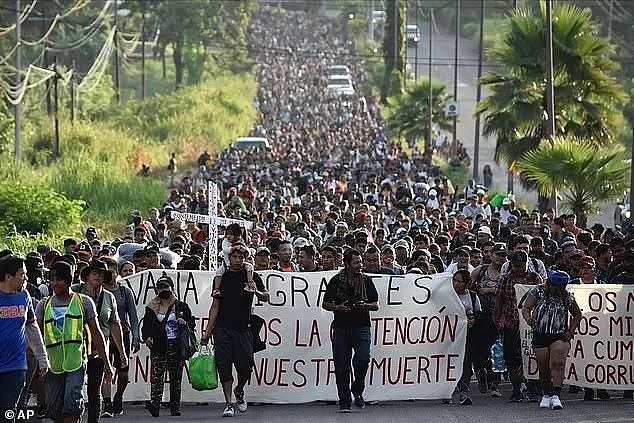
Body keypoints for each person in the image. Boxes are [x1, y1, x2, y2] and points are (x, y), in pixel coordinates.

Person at [37, 260, 114, 423]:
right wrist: (39, 362)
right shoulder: (43, 305)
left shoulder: (83, 302)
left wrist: (106, 363)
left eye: (59, 279)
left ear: (68, 280)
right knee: (55, 410)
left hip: (76, 363)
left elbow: (96, 333)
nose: (54, 283)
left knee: (73, 406)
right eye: (52, 279)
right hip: (53, 366)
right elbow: (35, 336)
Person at [201, 244, 269, 417]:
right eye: (235, 257)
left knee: (245, 367)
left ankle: (239, 390)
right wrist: (207, 332)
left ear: (245, 258)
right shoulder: (222, 277)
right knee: (224, 366)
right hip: (222, 329)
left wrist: (257, 292)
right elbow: (215, 306)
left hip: (243, 329)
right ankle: (229, 403)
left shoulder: (252, 276)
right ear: (229, 258)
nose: (238, 260)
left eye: (241, 257)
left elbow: (266, 296)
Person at [322, 249, 379, 413]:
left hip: (361, 327)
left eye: (361, 262)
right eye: (356, 262)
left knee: (363, 360)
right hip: (341, 328)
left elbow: (376, 305)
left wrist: (365, 305)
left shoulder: (366, 281)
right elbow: (325, 304)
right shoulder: (335, 281)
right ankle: (344, 401)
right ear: (347, 264)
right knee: (341, 366)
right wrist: (338, 307)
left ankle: (358, 388)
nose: (359, 265)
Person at [71, 260, 127, 423]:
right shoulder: (74, 292)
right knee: (74, 389)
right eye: (93, 273)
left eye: (101, 273)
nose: (97, 276)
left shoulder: (109, 297)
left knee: (94, 390)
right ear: (86, 276)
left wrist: (121, 352)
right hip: (76, 349)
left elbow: (115, 325)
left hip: (100, 351)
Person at [521, 271, 582, 410]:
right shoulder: (537, 291)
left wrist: (571, 331)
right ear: (549, 283)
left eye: (562, 288)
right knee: (543, 368)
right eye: (556, 288)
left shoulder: (567, 296)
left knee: (558, 363)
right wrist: (528, 318)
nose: (559, 290)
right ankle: (546, 394)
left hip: (559, 335)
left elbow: (577, 314)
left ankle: (556, 395)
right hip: (540, 334)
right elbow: (526, 308)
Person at [141, 273, 195, 417]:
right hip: (159, 345)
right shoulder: (152, 307)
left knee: (176, 378)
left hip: (176, 345)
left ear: (172, 288)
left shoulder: (181, 306)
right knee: (157, 377)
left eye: (165, 287)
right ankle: (155, 405)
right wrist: (147, 337)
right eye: (160, 287)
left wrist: (185, 323)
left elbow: (192, 322)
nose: (163, 290)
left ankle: (175, 407)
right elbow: (146, 326)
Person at [0, 255, 49, 416]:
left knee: (9, 412)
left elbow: (32, 327)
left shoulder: (24, 296)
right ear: (8, 277)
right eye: (22, 274)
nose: (26, 278)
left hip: (16, 365)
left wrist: (42, 359)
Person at [494, 251, 542, 402]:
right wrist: (497, 320)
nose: (519, 269)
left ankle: (533, 387)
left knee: (532, 355)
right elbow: (499, 301)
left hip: (530, 325)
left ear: (527, 263)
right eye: (516, 265)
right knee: (512, 358)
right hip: (511, 323)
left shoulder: (535, 278)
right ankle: (516, 388)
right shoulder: (505, 279)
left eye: (521, 265)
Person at [101, 258, 140, 416]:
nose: (110, 274)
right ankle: (107, 403)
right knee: (106, 370)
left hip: (122, 335)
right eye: (107, 272)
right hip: (103, 336)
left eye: (112, 271)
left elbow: (133, 315)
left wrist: (136, 336)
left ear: (117, 273)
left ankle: (118, 396)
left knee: (123, 373)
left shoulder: (125, 291)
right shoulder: (99, 292)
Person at [452, 269, 483, 405]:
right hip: (448, 335)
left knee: (465, 362)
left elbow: (479, 315)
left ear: (467, 283)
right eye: (455, 280)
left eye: (460, 281)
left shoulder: (472, 297)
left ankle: (464, 392)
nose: (456, 284)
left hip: (466, 336)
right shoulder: (446, 294)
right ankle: (447, 390)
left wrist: (473, 321)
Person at [211, 223, 256, 298]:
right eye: (227, 234)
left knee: (250, 267)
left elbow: (247, 253)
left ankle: (250, 283)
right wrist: (234, 248)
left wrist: (244, 249)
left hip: (240, 264)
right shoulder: (225, 241)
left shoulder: (241, 240)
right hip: (226, 264)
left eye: (231, 234)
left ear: (237, 235)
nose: (229, 236)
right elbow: (225, 250)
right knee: (219, 272)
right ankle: (216, 289)